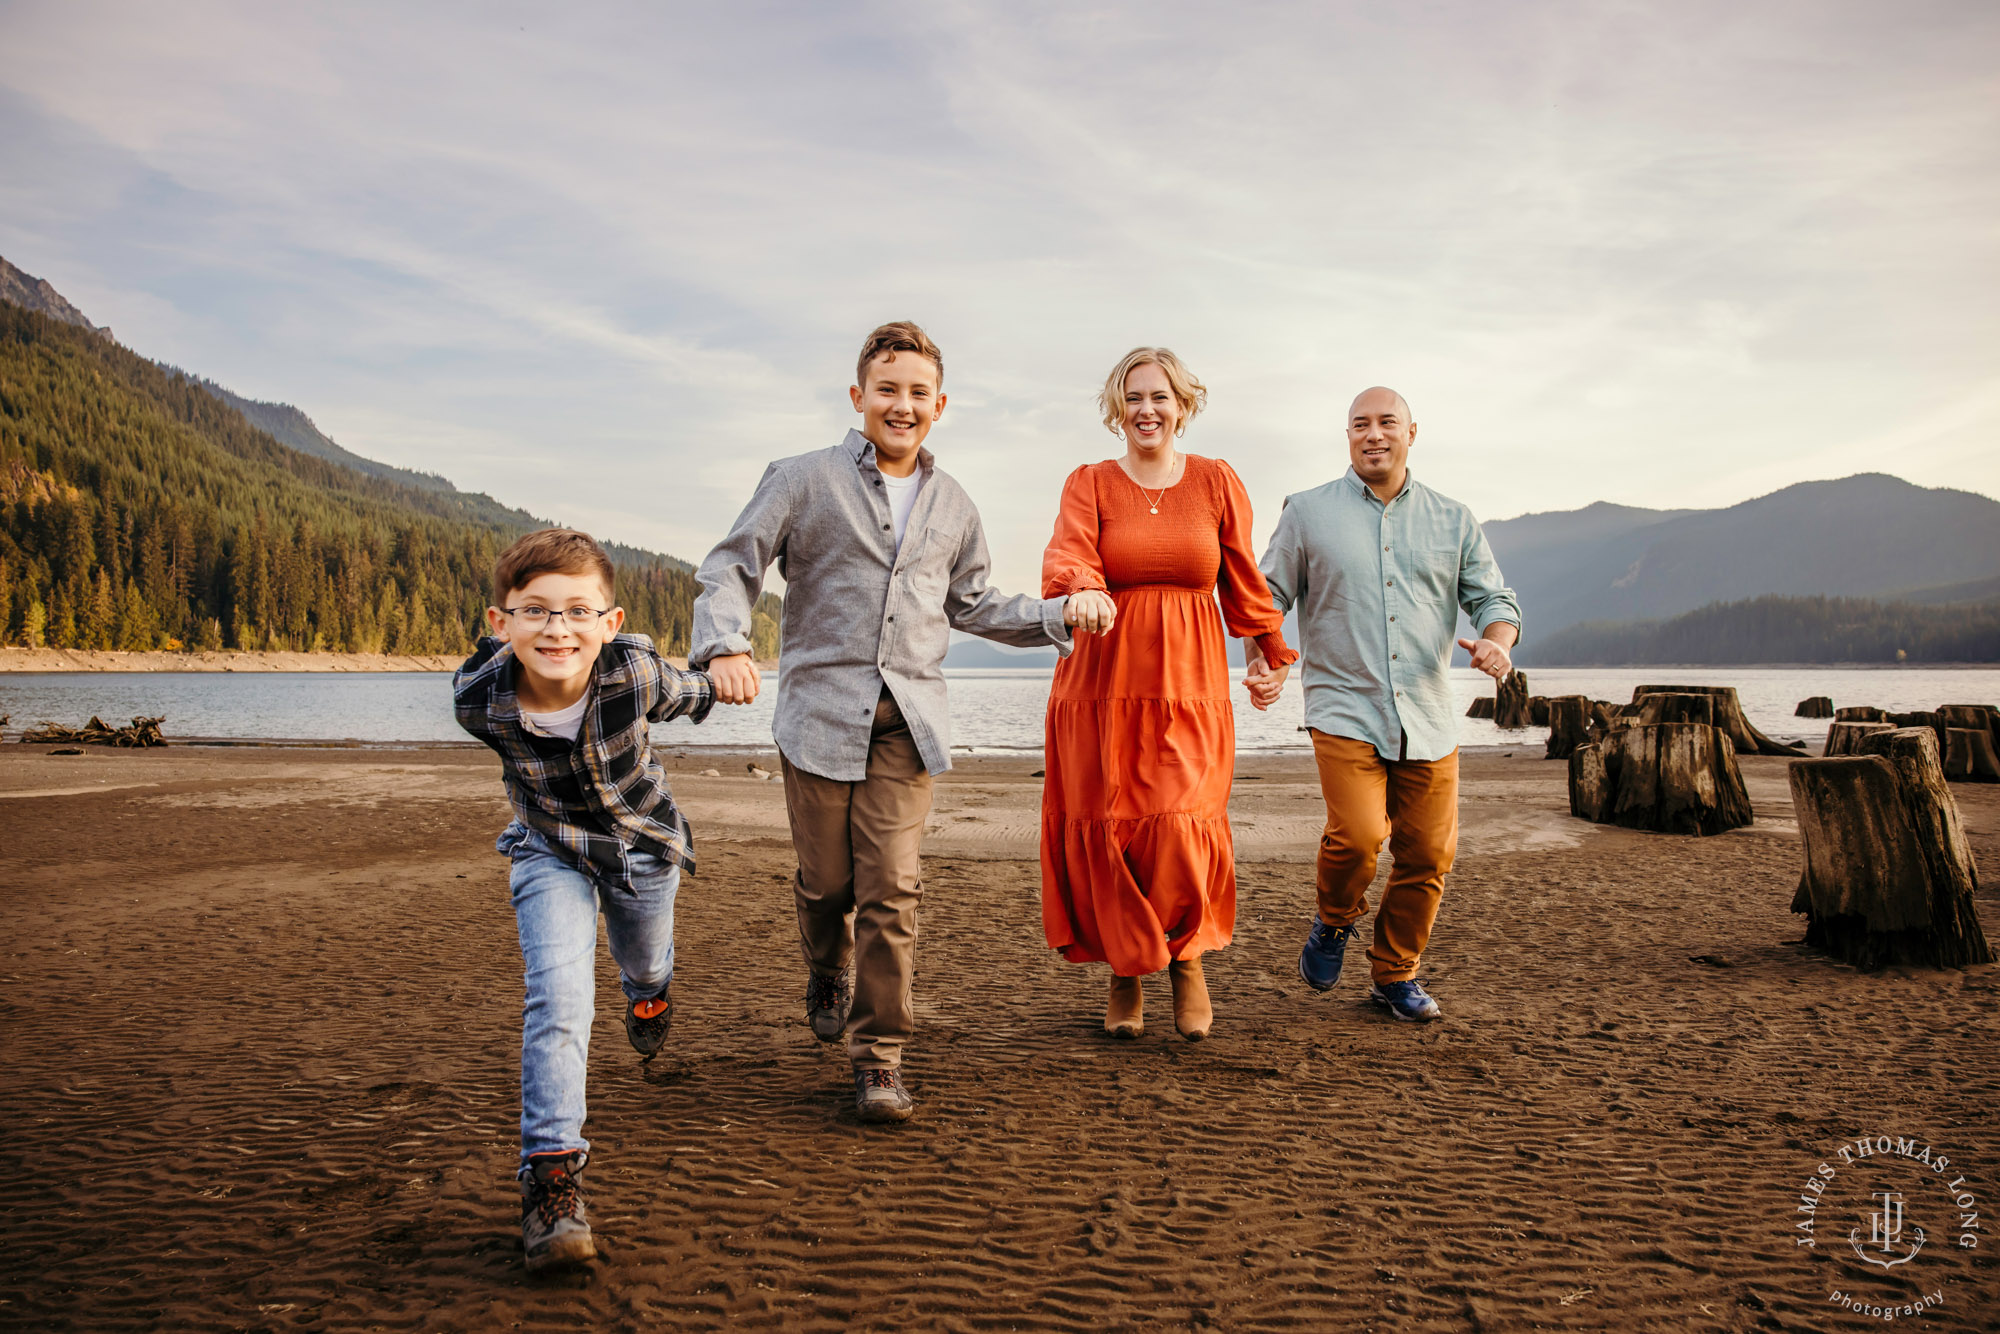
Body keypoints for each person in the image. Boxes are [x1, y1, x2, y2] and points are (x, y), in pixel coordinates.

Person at [691, 320, 1100, 1123]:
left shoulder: (954, 503)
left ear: (939, 405)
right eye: (888, 390)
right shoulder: (801, 479)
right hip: (816, 718)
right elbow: (731, 563)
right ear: (859, 397)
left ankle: (879, 1058)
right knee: (828, 886)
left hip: (907, 727)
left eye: (918, 393)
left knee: (892, 892)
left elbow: (975, 602)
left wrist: (1061, 616)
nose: (902, 405)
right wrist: (723, 646)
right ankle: (825, 966)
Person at [454, 527, 732, 1271]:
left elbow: (689, 689)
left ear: (608, 625)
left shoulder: (633, 675)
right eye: (536, 611)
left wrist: (724, 678)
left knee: (644, 962)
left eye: (578, 611)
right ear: (499, 623)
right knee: (559, 996)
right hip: (548, 850)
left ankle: (650, 994)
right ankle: (552, 1180)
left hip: (643, 846)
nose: (557, 629)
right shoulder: (478, 702)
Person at [1039, 347, 1296, 1042]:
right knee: (1113, 817)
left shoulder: (1215, 481)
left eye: (1159, 396)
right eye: (1133, 397)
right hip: (1103, 678)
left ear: (1183, 406)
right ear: (1116, 409)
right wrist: (1085, 588)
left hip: (1190, 680)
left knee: (1184, 815)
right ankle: (1126, 969)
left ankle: (1186, 959)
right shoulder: (1089, 481)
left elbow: (1243, 578)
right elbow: (1069, 554)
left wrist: (1269, 654)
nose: (1146, 409)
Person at [1253, 387, 1520, 1023]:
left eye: (1386, 423)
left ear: (1411, 432)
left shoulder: (1453, 519)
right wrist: (1264, 659)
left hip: (1427, 713)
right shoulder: (1308, 512)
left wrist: (1495, 643)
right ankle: (1333, 920)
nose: (1373, 435)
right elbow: (1265, 596)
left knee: (1428, 855)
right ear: (1347, 435)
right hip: (1343, 704)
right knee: (1359, 836)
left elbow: (1496, 601)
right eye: (1359, 425)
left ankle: (1395, 975)